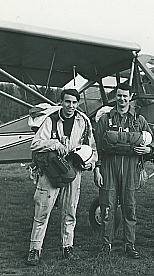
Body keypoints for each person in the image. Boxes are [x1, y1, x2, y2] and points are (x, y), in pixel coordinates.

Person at [26, 89, 97, 266]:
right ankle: (34, 250)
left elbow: (92, 149)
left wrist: (90, 163)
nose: (70, 106)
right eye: (67, 102)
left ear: (78, 103)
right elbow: (35, 144)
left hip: (73, 172)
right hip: (51, 171)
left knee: (70, 211)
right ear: (61, 102)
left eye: (74, 102)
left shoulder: (84, 122)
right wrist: (54, 144)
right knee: (42, 211)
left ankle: (67, 247)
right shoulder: (50, 120)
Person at [93, 83, 154, 259]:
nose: (122, 99)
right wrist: (97, 169)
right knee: (107, 207)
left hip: (131, 168)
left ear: (130, 97)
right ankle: (107, 244)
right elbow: (97, 146)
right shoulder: (105, 119)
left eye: (125, 96)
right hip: (109, 167)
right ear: (116, 97)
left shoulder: (139, 120)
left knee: (129, 208)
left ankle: (130, 244)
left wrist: (148, 151)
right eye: (119, 96)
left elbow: (152, 145)